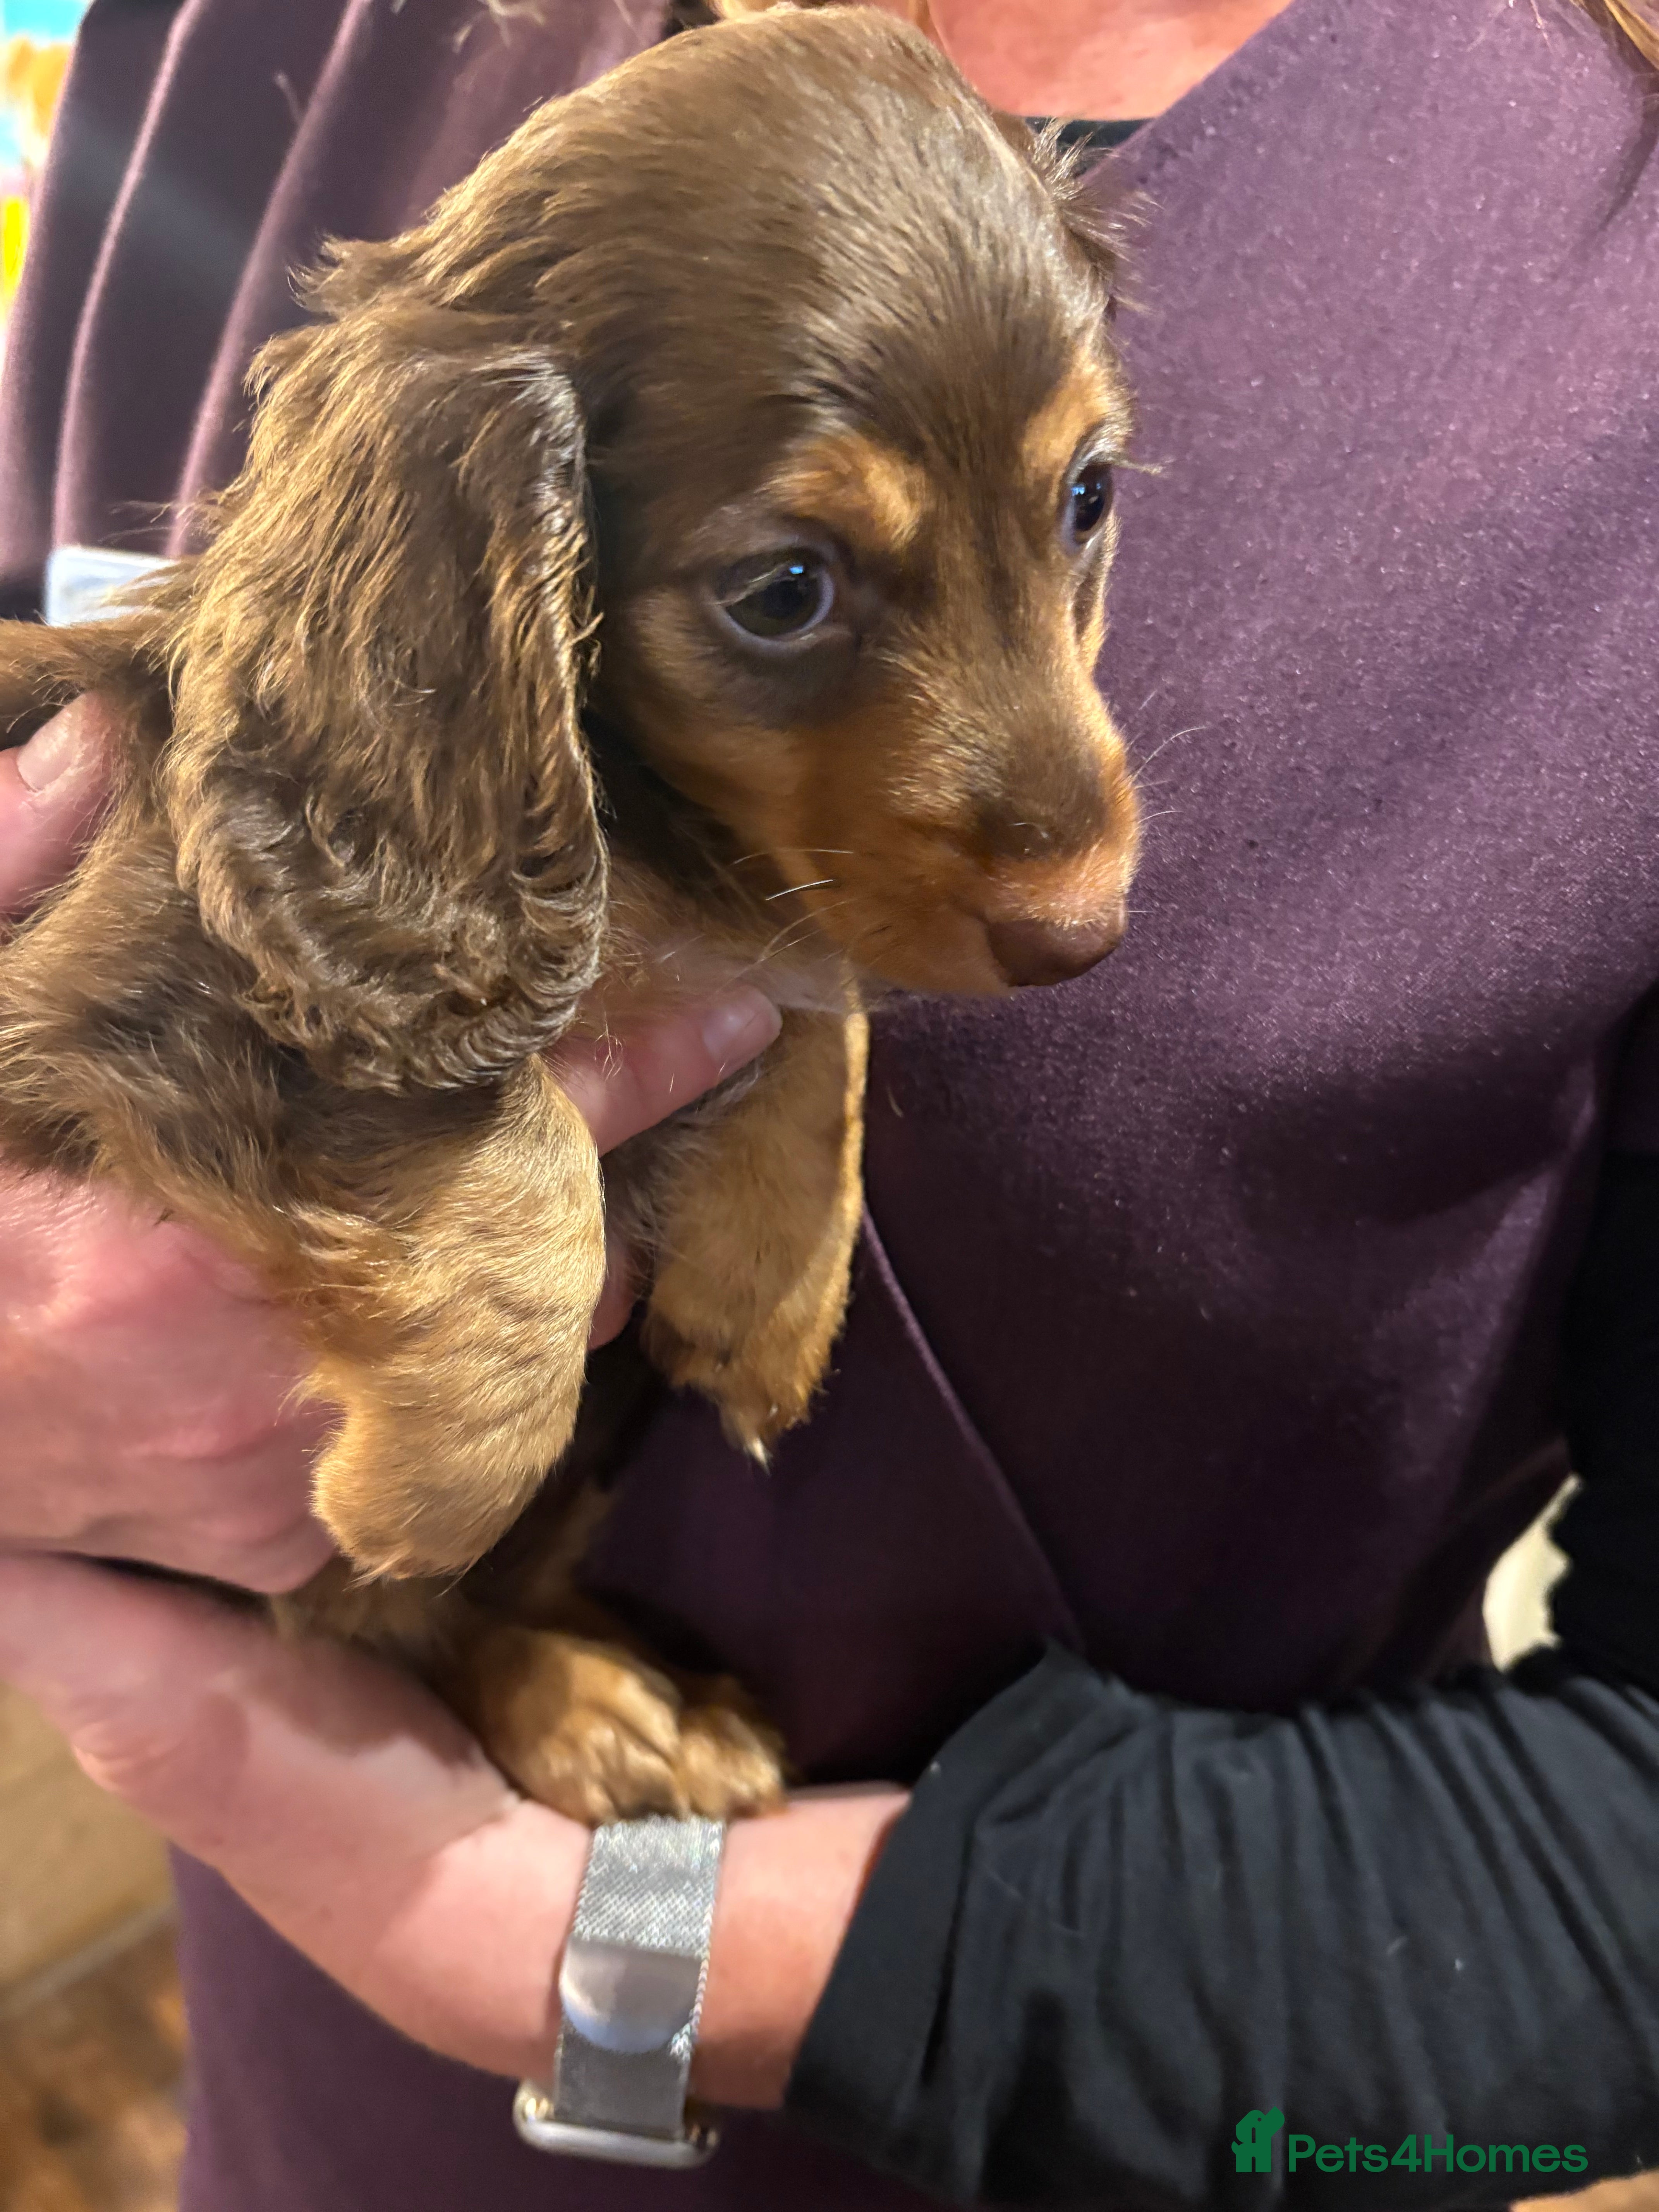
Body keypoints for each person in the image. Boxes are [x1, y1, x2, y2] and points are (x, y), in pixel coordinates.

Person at [2, 0, 1659, 2204]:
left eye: (1086, 502)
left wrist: (591, 1956)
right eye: (790, 589)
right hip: (303, 2098)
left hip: (1131, 2111)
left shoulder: (1599, 259)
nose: (1077, 865)